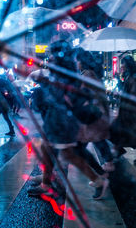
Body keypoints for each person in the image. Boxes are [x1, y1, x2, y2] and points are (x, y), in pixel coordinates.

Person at [27, 41, 109, 200]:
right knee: (47, 148)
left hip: (63, 122)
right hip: (56, 121)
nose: (49, 57)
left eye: (52, 54)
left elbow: (61, 97)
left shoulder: (66, 75)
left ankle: (98, 181)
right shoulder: (60, 72)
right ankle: (46, 182)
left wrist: (45, 83)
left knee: (69, 155)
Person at [110, 55, 136, 164]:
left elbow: (133, 95)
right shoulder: (129, 77)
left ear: (128, 65)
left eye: (122, 63)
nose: (121, 66)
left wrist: (122, 95)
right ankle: (117, 151)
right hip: (128, 111)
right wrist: (119, 82)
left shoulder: (134, 78)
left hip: (132, 112)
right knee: (117, 130)